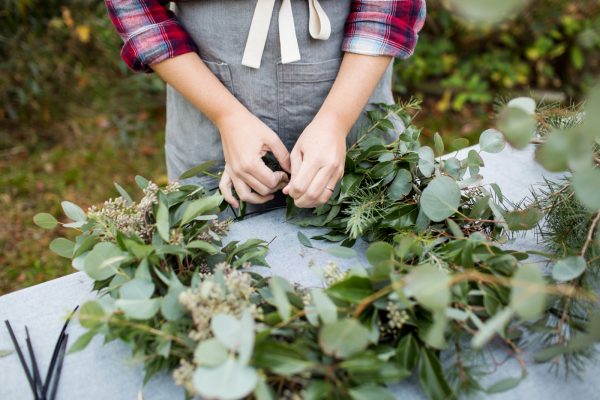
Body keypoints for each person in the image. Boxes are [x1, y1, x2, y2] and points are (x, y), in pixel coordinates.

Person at [105, 0, 426, 210]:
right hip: (208, 126)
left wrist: (336, 120)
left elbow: (390, 7)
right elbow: (136, 9)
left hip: (355, 113)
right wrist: (226, 116)